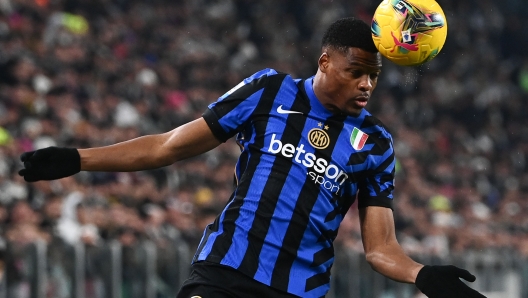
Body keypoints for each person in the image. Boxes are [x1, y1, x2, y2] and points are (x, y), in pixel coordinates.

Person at [18, 17, 485, 298]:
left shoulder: (376, 145)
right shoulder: (268, 90)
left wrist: (423, 275)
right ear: (325, 63)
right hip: (225, 268)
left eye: (374, 76)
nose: (366, 85)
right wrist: (77, 159)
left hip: (298, 291)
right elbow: (168, 145)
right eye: (355, 72)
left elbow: (380, 248)